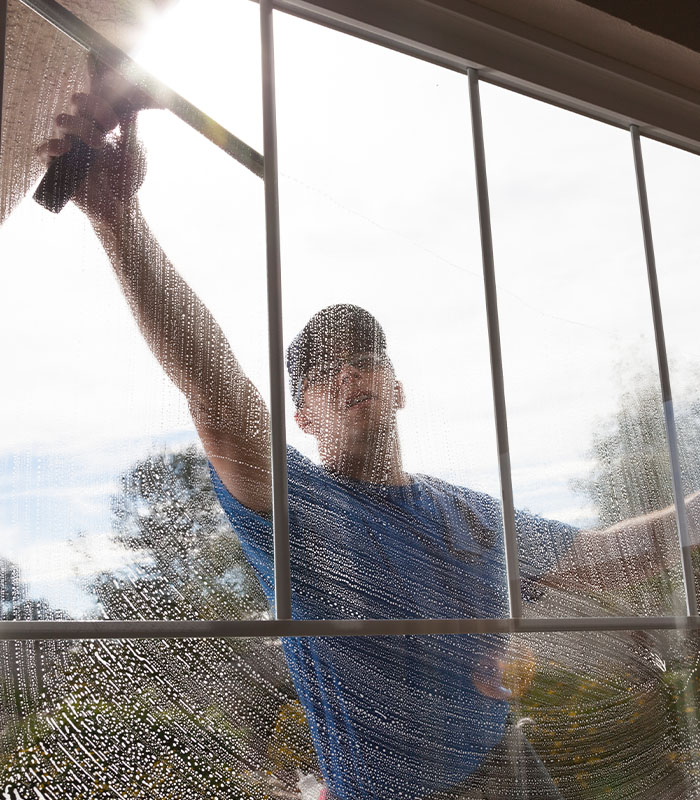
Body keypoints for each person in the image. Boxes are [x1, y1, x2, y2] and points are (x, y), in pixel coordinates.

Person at [37, 69, 696, 800]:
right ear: (303, 419)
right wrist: (118, 218)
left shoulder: (469, 514)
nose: (348, 372)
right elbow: (217, 397)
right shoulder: (299, 511)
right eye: (322, 373)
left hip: (515, 770)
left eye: (366, 356)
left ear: (399, 388)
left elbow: (605, 556)